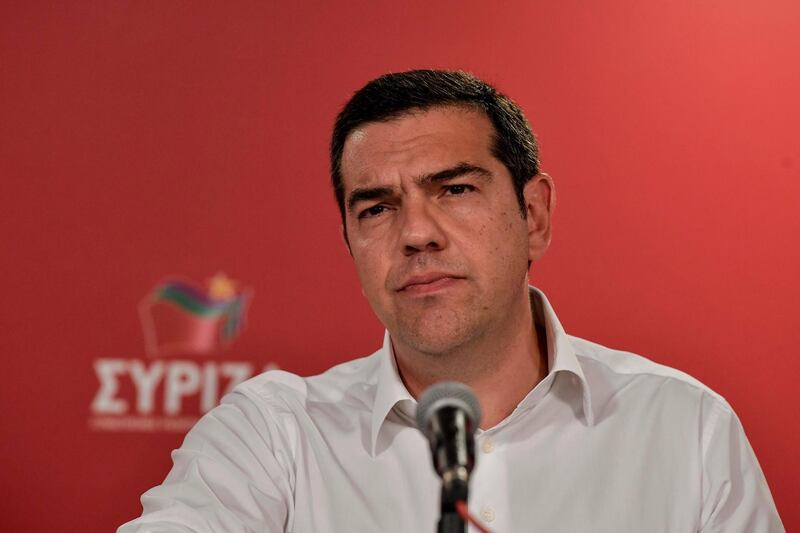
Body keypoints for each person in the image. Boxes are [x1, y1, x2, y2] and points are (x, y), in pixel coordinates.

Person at [119, 70, 784, 532]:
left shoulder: (683, 427)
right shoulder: (272, 434)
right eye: (376, 207)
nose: (415, 233)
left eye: (454, 190)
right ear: (350, 243)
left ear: (535, 213)